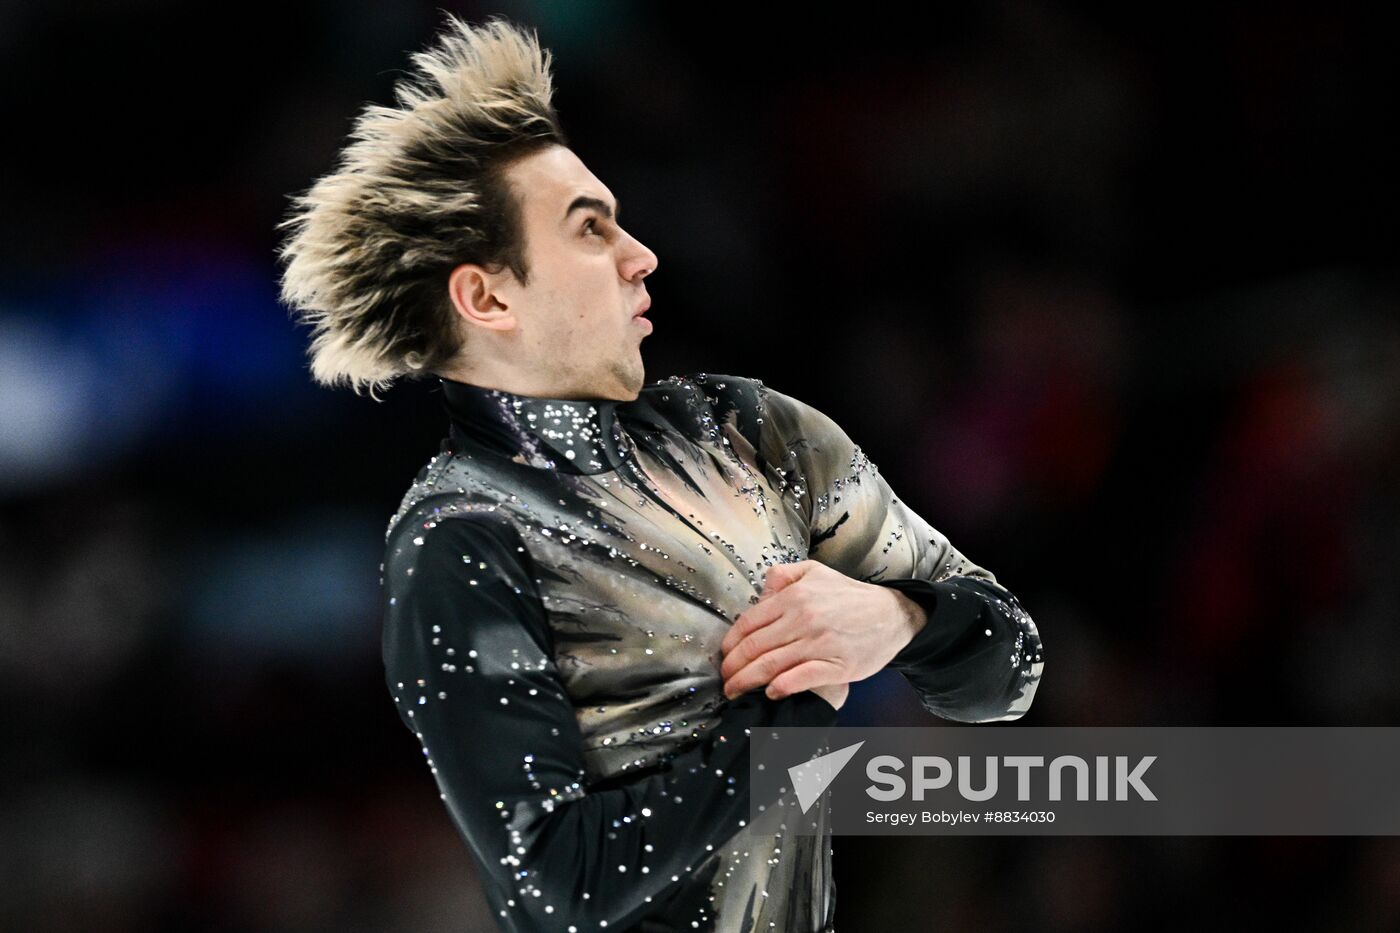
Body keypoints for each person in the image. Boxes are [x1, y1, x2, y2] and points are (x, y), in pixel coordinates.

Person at [275, 14, 1044, 932]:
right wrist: (797, 709)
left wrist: (898, 619)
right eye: (590, 230)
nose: (641, 256)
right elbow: (557, 886)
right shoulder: (461, 539)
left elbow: (1012, 667)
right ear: (487, 294)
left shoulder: (750, 430)